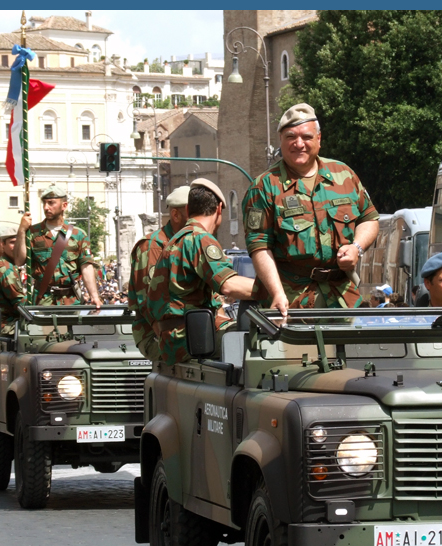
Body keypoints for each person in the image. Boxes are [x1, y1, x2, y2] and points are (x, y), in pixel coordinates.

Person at [242, 103, 379, 313]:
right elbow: (259, 246)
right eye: (290, 137)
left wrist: (356, 248)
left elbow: (369, 219)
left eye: (306, 137)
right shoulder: (264, 186)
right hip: (291, 301)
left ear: (319, 139)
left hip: (342, 297)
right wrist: (277, 293)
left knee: (349, 347)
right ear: (281, 140)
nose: (299, 144)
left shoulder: (344, 175)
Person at [147, 179, 256, 366]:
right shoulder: (200, 238)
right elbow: (229, 285)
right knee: (263, 342)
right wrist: (277, 290)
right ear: (219, 209)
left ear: (189, 210)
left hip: (175, 340)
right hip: (190, 341)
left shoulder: (176, 240)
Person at [128, 185, 191, 360]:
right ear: (176, 215)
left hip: (189, 328)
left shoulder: (191, 243)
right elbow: (148, 303)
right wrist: (167, 340)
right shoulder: (152, 247)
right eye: (192, 214)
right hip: (155, 333)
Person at [14, 184, 102, 307]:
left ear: (64, 205)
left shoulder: (78, 235)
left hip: (71, 301)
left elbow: (86, 266)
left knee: (73, 326)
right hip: (43, 300)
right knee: (43, 327)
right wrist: (22, 230)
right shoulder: (33, 233)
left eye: (51, 203)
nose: (46, 207)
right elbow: (19, 261)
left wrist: (94, 296)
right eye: (44, 203)